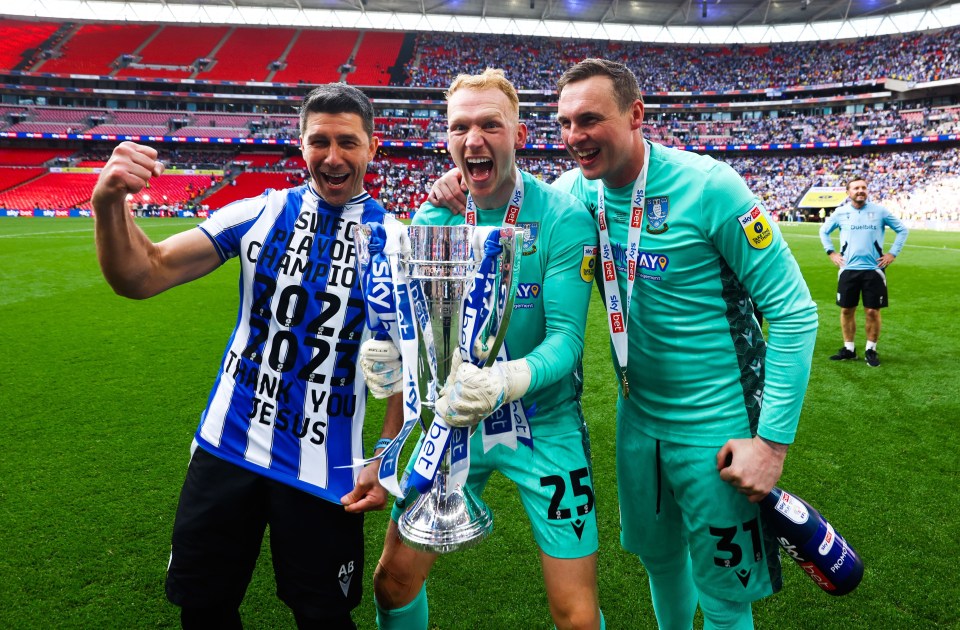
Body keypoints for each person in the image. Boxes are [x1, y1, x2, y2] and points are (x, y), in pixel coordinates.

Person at [428, 58, 819, 629]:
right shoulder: (576, 194)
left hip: (720, 426)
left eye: (589, 120)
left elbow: (793, 313)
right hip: (637, 420)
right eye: (563, 123)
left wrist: (773, 444)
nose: (573, 137)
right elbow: (518, 195)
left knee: (725, 596)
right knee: (660, 561)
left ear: (636, 115)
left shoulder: (711, 188)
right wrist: (456, 182)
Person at [91, 83, 401, 629]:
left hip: (324, 468)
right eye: (319, 141)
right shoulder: (261, 210)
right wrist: (107, 202)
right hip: (227, 445)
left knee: (323, 615)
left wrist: (386, 452)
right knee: (204, 607)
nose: (333, 157)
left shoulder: (393, 242)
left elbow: (398, 371)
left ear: (372, 147)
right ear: (300, 145)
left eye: (348, 143)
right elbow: (142, 275)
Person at [361, 68, 603, 630]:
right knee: (393, 583)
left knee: (575, 612)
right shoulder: (435, 214)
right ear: (446, 138)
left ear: (518, 132)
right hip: (452, 422)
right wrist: (391, 358)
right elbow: (417, 326)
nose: (474, 140)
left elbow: (566, 341)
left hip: (545, 424)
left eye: (490, 125)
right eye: (460, 127)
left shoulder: (564, 219)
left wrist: (503, 381)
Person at [819, 176, 909, 367]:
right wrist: (831, 252)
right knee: (846, 310)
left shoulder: (880, 211)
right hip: (848, 270)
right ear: (848, 192)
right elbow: (823, 231)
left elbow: (902, 230)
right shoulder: (840, 213)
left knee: (872, 312)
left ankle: (871, 349)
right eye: (856, 188)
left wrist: (892, 253)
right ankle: (849, 349)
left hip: (874, 270)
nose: (860, 190)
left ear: (867, 191)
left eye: (863, 187)